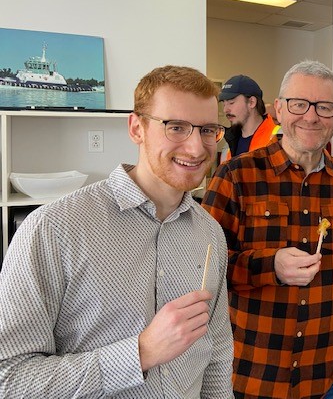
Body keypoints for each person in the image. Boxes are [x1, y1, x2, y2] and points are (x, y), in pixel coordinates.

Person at [0, 65, 234, 398]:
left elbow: (216, 353)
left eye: (208, 130)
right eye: (176, 127)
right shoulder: (53, 229)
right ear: (137, 128)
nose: (197, 149)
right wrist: (140, 352)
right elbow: (9, 379)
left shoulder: (210, 233)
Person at [202, 60, 333, 399]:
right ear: (279, 110)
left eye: (324, 107)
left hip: (328, 373)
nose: (311, 117)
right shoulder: (236, 176)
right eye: (299, 104)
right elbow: (203, 270)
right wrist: (271, 267)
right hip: (251, 371)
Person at [220, 74, 278, 160]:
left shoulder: (278, 139)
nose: (225, 110)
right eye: (224, 104)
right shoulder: (228, 145)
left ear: (251, 102)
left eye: (231, 103)